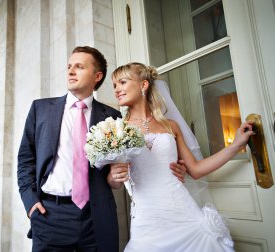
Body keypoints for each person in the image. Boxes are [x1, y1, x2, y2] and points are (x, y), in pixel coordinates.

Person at [17, 47, 187, 252]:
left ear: (97, 76)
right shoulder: (41, 109)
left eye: (79, 67)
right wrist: (31, 204)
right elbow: (26, 160)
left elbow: (124, 167)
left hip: (97, 217)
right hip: (50, 215)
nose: (70, 71)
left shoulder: (114, 117)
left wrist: (172, 166)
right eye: (69, 67)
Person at [108, 62, 254, 252]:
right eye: (114, 85)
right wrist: (113, 177)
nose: (117, 89)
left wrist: (235, 145)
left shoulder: (170, 126)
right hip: (147, 220)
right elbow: (115, 182)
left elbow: (196, 170)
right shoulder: (115, 130)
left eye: (122, 82)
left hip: (182, 212)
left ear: (143, 85)